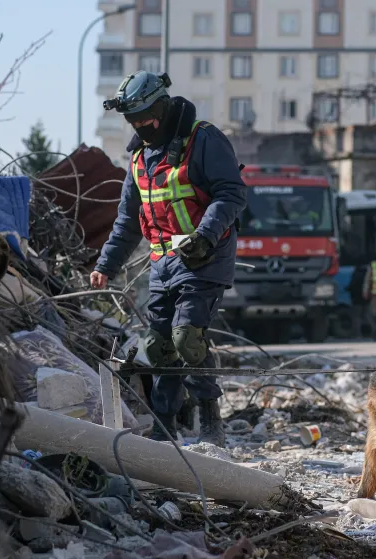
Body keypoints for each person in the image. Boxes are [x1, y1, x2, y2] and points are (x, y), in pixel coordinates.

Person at [90, 71, 247, 447]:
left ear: (162, 104)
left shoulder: (204, 139)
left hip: (204, 258)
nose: (143, 125)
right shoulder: (140, 160)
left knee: (187, 337)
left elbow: (231, 193)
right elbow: (128, 220)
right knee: (159, 348)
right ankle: (164, 429)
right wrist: (105, 265)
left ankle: (211, 421)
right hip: (163, 264)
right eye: (134, 120)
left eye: (147, 115)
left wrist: (205, 235)